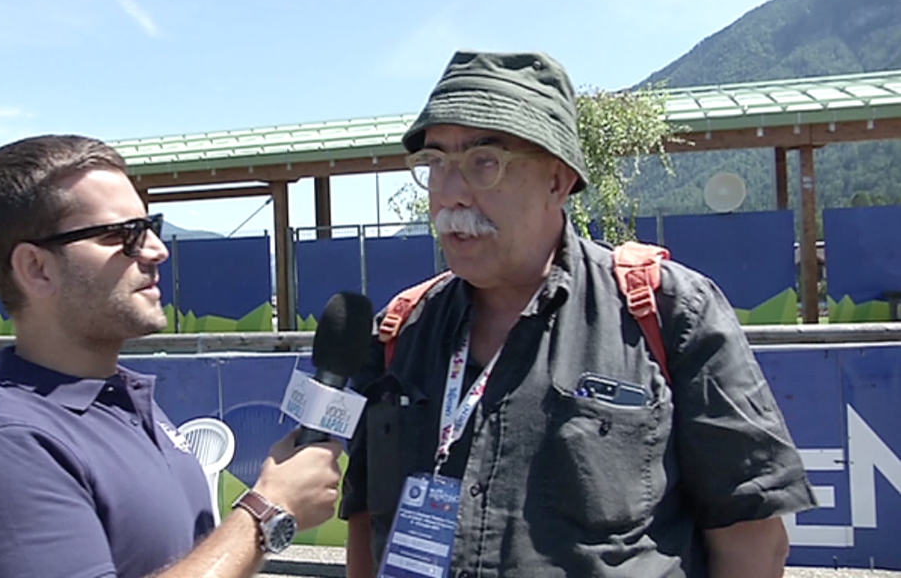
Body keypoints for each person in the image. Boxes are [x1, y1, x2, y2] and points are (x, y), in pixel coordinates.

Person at [340, 51, 817, 578]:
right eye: (435, 164)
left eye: (483, 162)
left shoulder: (668, 311)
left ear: (557, 180)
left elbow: (752, 541)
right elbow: (365, 525)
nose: (450, 193)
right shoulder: (400, 329)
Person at [0, 134, 343, 578]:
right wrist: (267, 512)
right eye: (121, 235)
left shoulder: (128, 404)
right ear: (36, 268)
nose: (157, 249)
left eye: (149, 226)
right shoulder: (0, 447)